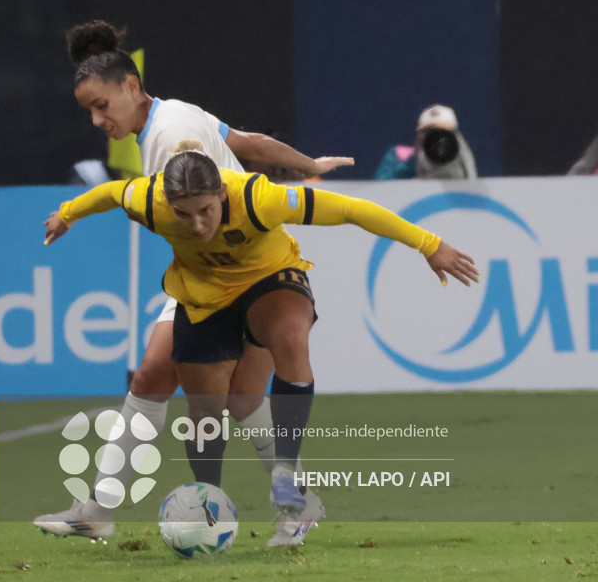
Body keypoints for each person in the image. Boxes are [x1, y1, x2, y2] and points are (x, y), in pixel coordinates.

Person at [43, 143, 478, 540]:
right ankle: (207, 502)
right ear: (167, 203)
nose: (196, 225)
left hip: (270, 279)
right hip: (203, 294)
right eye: (184, 214)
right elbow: (108, 193)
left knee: (289, 334)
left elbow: (349, 208)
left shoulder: (257, 197)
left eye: (206, 211)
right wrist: (67, 213)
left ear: (222, 196)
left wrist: (428, 243)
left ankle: (287, 475)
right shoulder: (149, 199)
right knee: (205, 412)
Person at [33, 19, 354, 546]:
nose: (96, 119)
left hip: (234, 274)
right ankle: (98, 510)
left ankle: (293, 502)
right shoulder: (175, 111)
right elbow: (249, 142)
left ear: (130, 88)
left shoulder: (168, 139)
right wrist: (308, 162)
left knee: (236, 398)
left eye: (100, 106)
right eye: (88, 110)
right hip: (210, 272)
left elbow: (199, 211)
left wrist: (73, 212)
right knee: (161, 383)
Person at [374, 104, 477, 180]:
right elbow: (381, 191)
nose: (437, 140)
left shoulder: (465, 159)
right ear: (419, 135)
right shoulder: (398, 156)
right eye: (428, 132)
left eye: (444, 132)